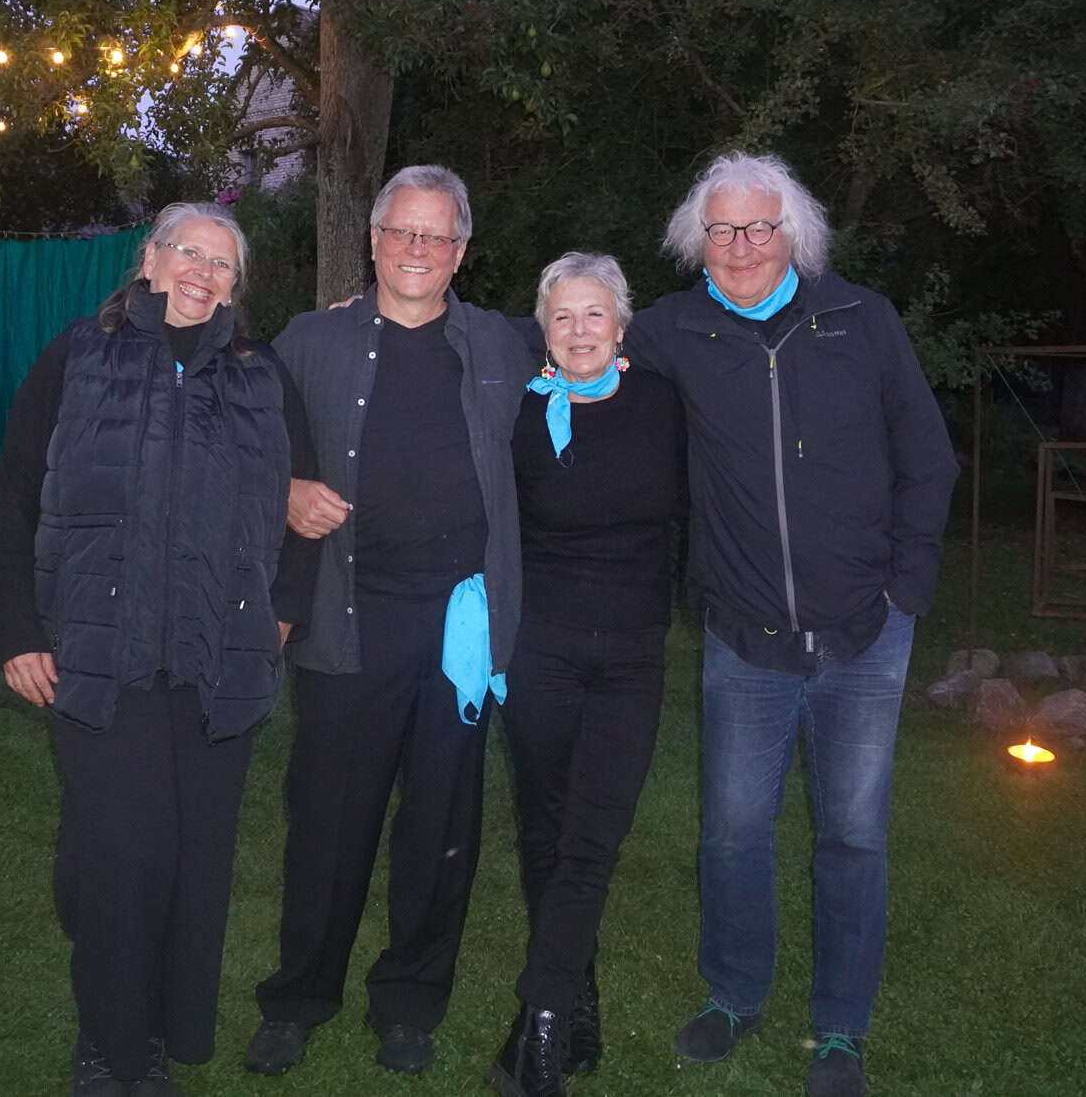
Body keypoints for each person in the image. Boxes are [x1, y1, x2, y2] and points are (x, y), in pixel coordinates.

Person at [628, 152, 958, 1097]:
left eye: (759, 227)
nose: (740, 247)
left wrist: (905, 588)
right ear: (698, 241)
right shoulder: (673, 331)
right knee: (733, 830)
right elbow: (579, 346)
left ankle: (841, 1028)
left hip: (866, 630)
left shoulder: (862, 320)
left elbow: (928, 458)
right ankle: (735, 993)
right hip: (743, 633)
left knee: (853, 834)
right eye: (721, 230)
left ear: (794, 235)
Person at [0, 202, 312, 1097]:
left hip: (216, 661)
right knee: (122, 858)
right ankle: (108, 1044)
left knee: (191, 863)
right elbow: (14, 492)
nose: (203, 273)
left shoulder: (259, 375)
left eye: (222, 263)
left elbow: (303, 501)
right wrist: (19, 630)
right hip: (100, 653)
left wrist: (282, 613)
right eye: (188, 252)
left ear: (235, 287)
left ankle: (159, 1039)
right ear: (151, 259)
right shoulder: (78, 357)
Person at [247, 165, 533, 1079]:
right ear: (373, 241)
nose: (417, 249)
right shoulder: (310, 341)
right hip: (348, 620)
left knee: (442, 827)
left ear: (461, 252)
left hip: (458, 631)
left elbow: (590, 353)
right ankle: (299, 997)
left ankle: (409, 1001)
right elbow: (239, 441)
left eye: (436, 236)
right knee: (328, 821)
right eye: (402, 231)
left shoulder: (503, 343)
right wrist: (285, 489)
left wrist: (615, 356)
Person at [485, 253, 685, 1097]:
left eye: (594, 313)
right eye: (561, 316)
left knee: (593, 836)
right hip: (543, 651)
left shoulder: (664, 404)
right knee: (545, 829)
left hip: (632, 655)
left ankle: (535, 1031)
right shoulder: (519, 410)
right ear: (542, 329)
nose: (578, 330)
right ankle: (576, 999)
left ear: (622, 324)